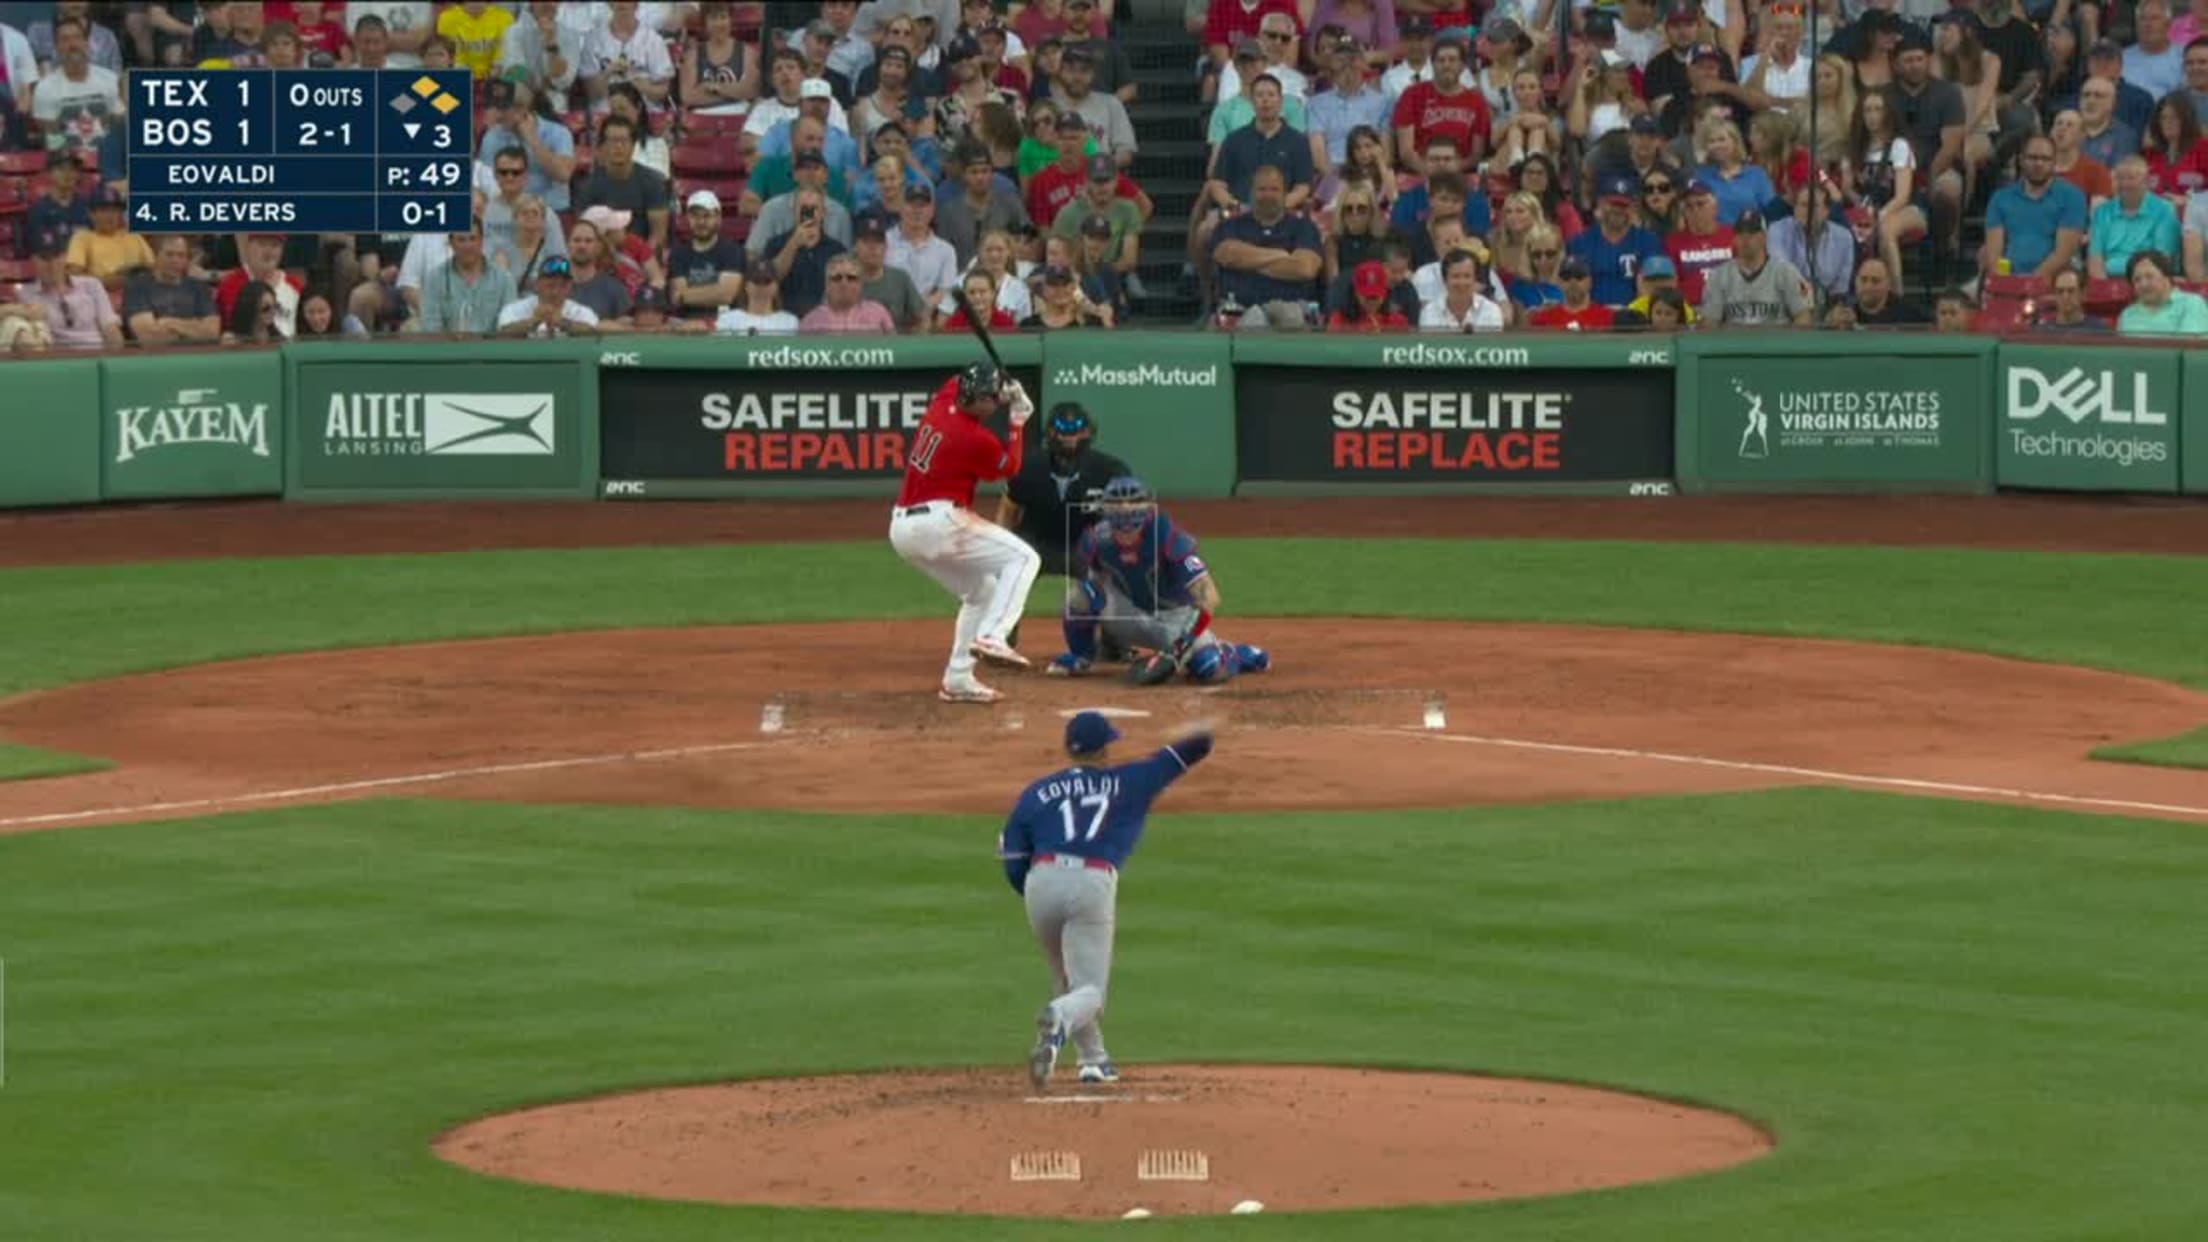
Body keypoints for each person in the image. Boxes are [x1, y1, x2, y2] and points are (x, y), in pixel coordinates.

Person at [1003, 710, 1219, 1093]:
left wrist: (1037, 891)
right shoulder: (1129, 781)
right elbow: (1196, 747)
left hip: (1039, 882)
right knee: (1089, 994)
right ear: (1104, 749)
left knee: (1066, 978)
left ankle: (1094, 1061)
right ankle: (1058, 1020)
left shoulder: (1036, 792)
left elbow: (1013, 857)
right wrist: (1197, 726)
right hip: (1091, 881)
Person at [890, 362, 1042, 703]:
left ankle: (958, 678)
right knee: (1025, 557)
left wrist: (1002, 388)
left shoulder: (946, 398)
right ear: (982, 401)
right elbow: (1009, 468)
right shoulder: (972, 438)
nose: (994, 408)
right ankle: (993, 635)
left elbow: (960, 379)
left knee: (982, 591)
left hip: (903, 529)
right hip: (938, 523)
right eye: (991, 402)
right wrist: (1017, 420)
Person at [1048, 475, 1271, 686]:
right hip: (1131, 613)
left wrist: (1185, 642)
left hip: (1176, 623)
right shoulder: (1097, 538)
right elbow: (1095, 587)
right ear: (1106, 507)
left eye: (1133, 501)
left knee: (1208, 668)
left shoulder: (1168, 536)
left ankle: (1239, 654)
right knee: (1079, 596)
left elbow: (1209, 596)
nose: (1126, 507)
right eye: (1118, 501)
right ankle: (1082, 658)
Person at [996, 403, 1135, 586]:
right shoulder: (1028, 466)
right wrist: (999, 548)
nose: (1069, 436)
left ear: (1087, 431)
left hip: (1084, 546)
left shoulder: (1110, 471)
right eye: (1063, 429)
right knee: (1004, 574)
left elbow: (1128, 518)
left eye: (1076, 429)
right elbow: (1008, 511)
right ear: (1051, 432)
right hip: (1036, 544)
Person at [1983, 135, 2088, 281]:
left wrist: (2030, 282)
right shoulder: (2000, 199)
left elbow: (2062, 255)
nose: (2038, 164)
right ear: (2021, 160)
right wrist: (2006, 281)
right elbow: (1994, 254)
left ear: (2054, 162)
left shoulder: (2073, 197)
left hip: (2056, 280)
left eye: (2045, 159)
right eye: (2032, 158)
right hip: (2008, 279)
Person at [8, 228, 121, 349]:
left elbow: (110, 327)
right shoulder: (25, 294)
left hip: (97, 354)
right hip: (58, 360)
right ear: (33, 260)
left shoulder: (91, 284)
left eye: (56, 256)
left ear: (65, 257)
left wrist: (117, 360)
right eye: (44, 258)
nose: (52, 264)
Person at [1700, 209, 1814, 325]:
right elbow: (1710, 322)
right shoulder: (1718, 276)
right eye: (1740, 233)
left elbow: (1803, 316)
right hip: (1734, 341)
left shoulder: (1787, 272)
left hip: (1776, 341)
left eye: (1752, 233)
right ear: (1734, 239)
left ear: (1764, 237)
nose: (1745, 239)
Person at [1569, 175, 1666, 306]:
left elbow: (1654, 288)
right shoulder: (1580, 242)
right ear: (1600, 203)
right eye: (1613, 204)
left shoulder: (1648, 242)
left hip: (1635, 319)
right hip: (1592, 318)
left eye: (1624, 205)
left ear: (1633, 208)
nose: (1618, 210)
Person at [2089, 155, 2184, 280]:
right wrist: (2104, 287)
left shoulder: (2164, 210)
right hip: (2109, 281)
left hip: (2150, 279)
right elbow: (2095, 259)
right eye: (2119, 178)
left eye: (2131, 178)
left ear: (2146, 181)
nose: (2124, 184)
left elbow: (2163, 260)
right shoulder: (2103, 212)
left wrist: (2138, 281)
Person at [414, 220, 516, 335]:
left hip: (493, 350)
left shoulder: (504, 280)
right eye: (461, 240)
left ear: (481, 241)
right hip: (447, 350)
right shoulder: (435, 279)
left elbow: (509, 329)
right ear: (451, 242)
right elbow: (430, 328)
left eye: (473, 239)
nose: (468, 245)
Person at [123, 235, 221, 345]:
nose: (175, 260)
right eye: (169, 255)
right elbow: (148, 337)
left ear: (187, 260)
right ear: (156, 256)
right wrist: (194, 327)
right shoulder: (138, 287)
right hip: (156, 357)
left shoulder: (199, 287)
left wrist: (168, 323)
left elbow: (212, 332)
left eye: (181, 255)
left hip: (197, 355)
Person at [494, 255, 601, 336]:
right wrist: (533, 322)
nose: (555, 291)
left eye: (562, 286)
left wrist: (563, 323)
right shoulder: (515, 309)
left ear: (570, 287)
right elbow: (502, 334)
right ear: (537, 284)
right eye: (550, 285)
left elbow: (594, 333)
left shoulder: (581, 312)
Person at [2118, 248, 2208, 334]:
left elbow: (2190, 345)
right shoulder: (2128, 315)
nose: (2144, 285)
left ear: (2167, 277)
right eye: (2137, 280)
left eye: (2149, 276)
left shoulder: (2192, 304)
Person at [1418, 248, 1506, 330]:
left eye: (1467, 276)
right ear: (1445, 280)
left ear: (1475, 279)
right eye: (1455, 276)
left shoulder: (1491, 310)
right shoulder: (1429, 312)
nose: (1461, 282)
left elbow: (1491, 346)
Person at [1528, 256, 1616, 328]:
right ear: (1559, 282)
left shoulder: (1607, 317)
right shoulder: (1544, 319)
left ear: (1590, 281)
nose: (1573, 282)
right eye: (1567, 277)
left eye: (1579, 276)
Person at [715, 260, 801, 335]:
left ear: (776, 286)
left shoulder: (789, 322)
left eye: (767, 281)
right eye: (757, 281)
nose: (762, 286)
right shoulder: (728, 319)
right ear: (746, 286)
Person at [1330, 258, 1414, 330]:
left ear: (1385, 292)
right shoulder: (1339, 320)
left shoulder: (1398, 322)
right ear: (1355, 293)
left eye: (1375, 296)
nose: (1371, 301)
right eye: (1367, 296)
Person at [1848, 255, 1926, 325]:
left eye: (1875, 281)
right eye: (1863, 280)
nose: (1868, 286)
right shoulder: (1847, 314)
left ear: (1889, 284)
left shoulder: (1909, 319)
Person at [2035, 266, 2111, 332]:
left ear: (2082, 294)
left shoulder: (2099, 331)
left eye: (2071, 291)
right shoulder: (2043, 333)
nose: (2065, 297)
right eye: (2060, 291)